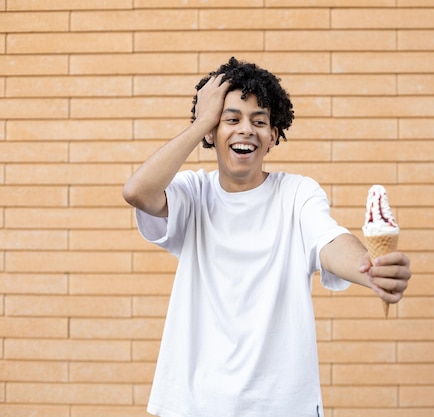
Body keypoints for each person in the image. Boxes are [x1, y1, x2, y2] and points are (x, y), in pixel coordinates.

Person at [122, 57, 411, 417]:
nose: (246, 129)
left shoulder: (297, 193)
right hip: (193, 404)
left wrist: (370, 268)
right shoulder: (191, 193)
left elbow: (329, 240)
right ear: (212, 132)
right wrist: (201, 122)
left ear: (273, 135)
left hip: (283, 405)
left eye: (259, 121)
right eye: (231, 119)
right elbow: (137, 191)